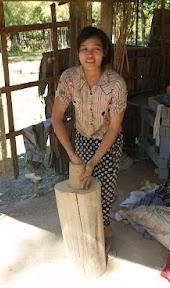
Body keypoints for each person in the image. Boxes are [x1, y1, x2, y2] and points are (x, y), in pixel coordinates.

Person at [52, 26, 127, 238]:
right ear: (77, 53)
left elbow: (114, 127)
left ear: (104, 53)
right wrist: (72, 155)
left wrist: (94, 162)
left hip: (108, 143)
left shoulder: (116, 84)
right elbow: (56, 118)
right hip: (83, 140)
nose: (90, 54)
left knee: (104, 190)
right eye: (84, 49)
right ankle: (87, 231)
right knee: (83, 186)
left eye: (95, 49)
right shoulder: (69, 79)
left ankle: (103, 229)